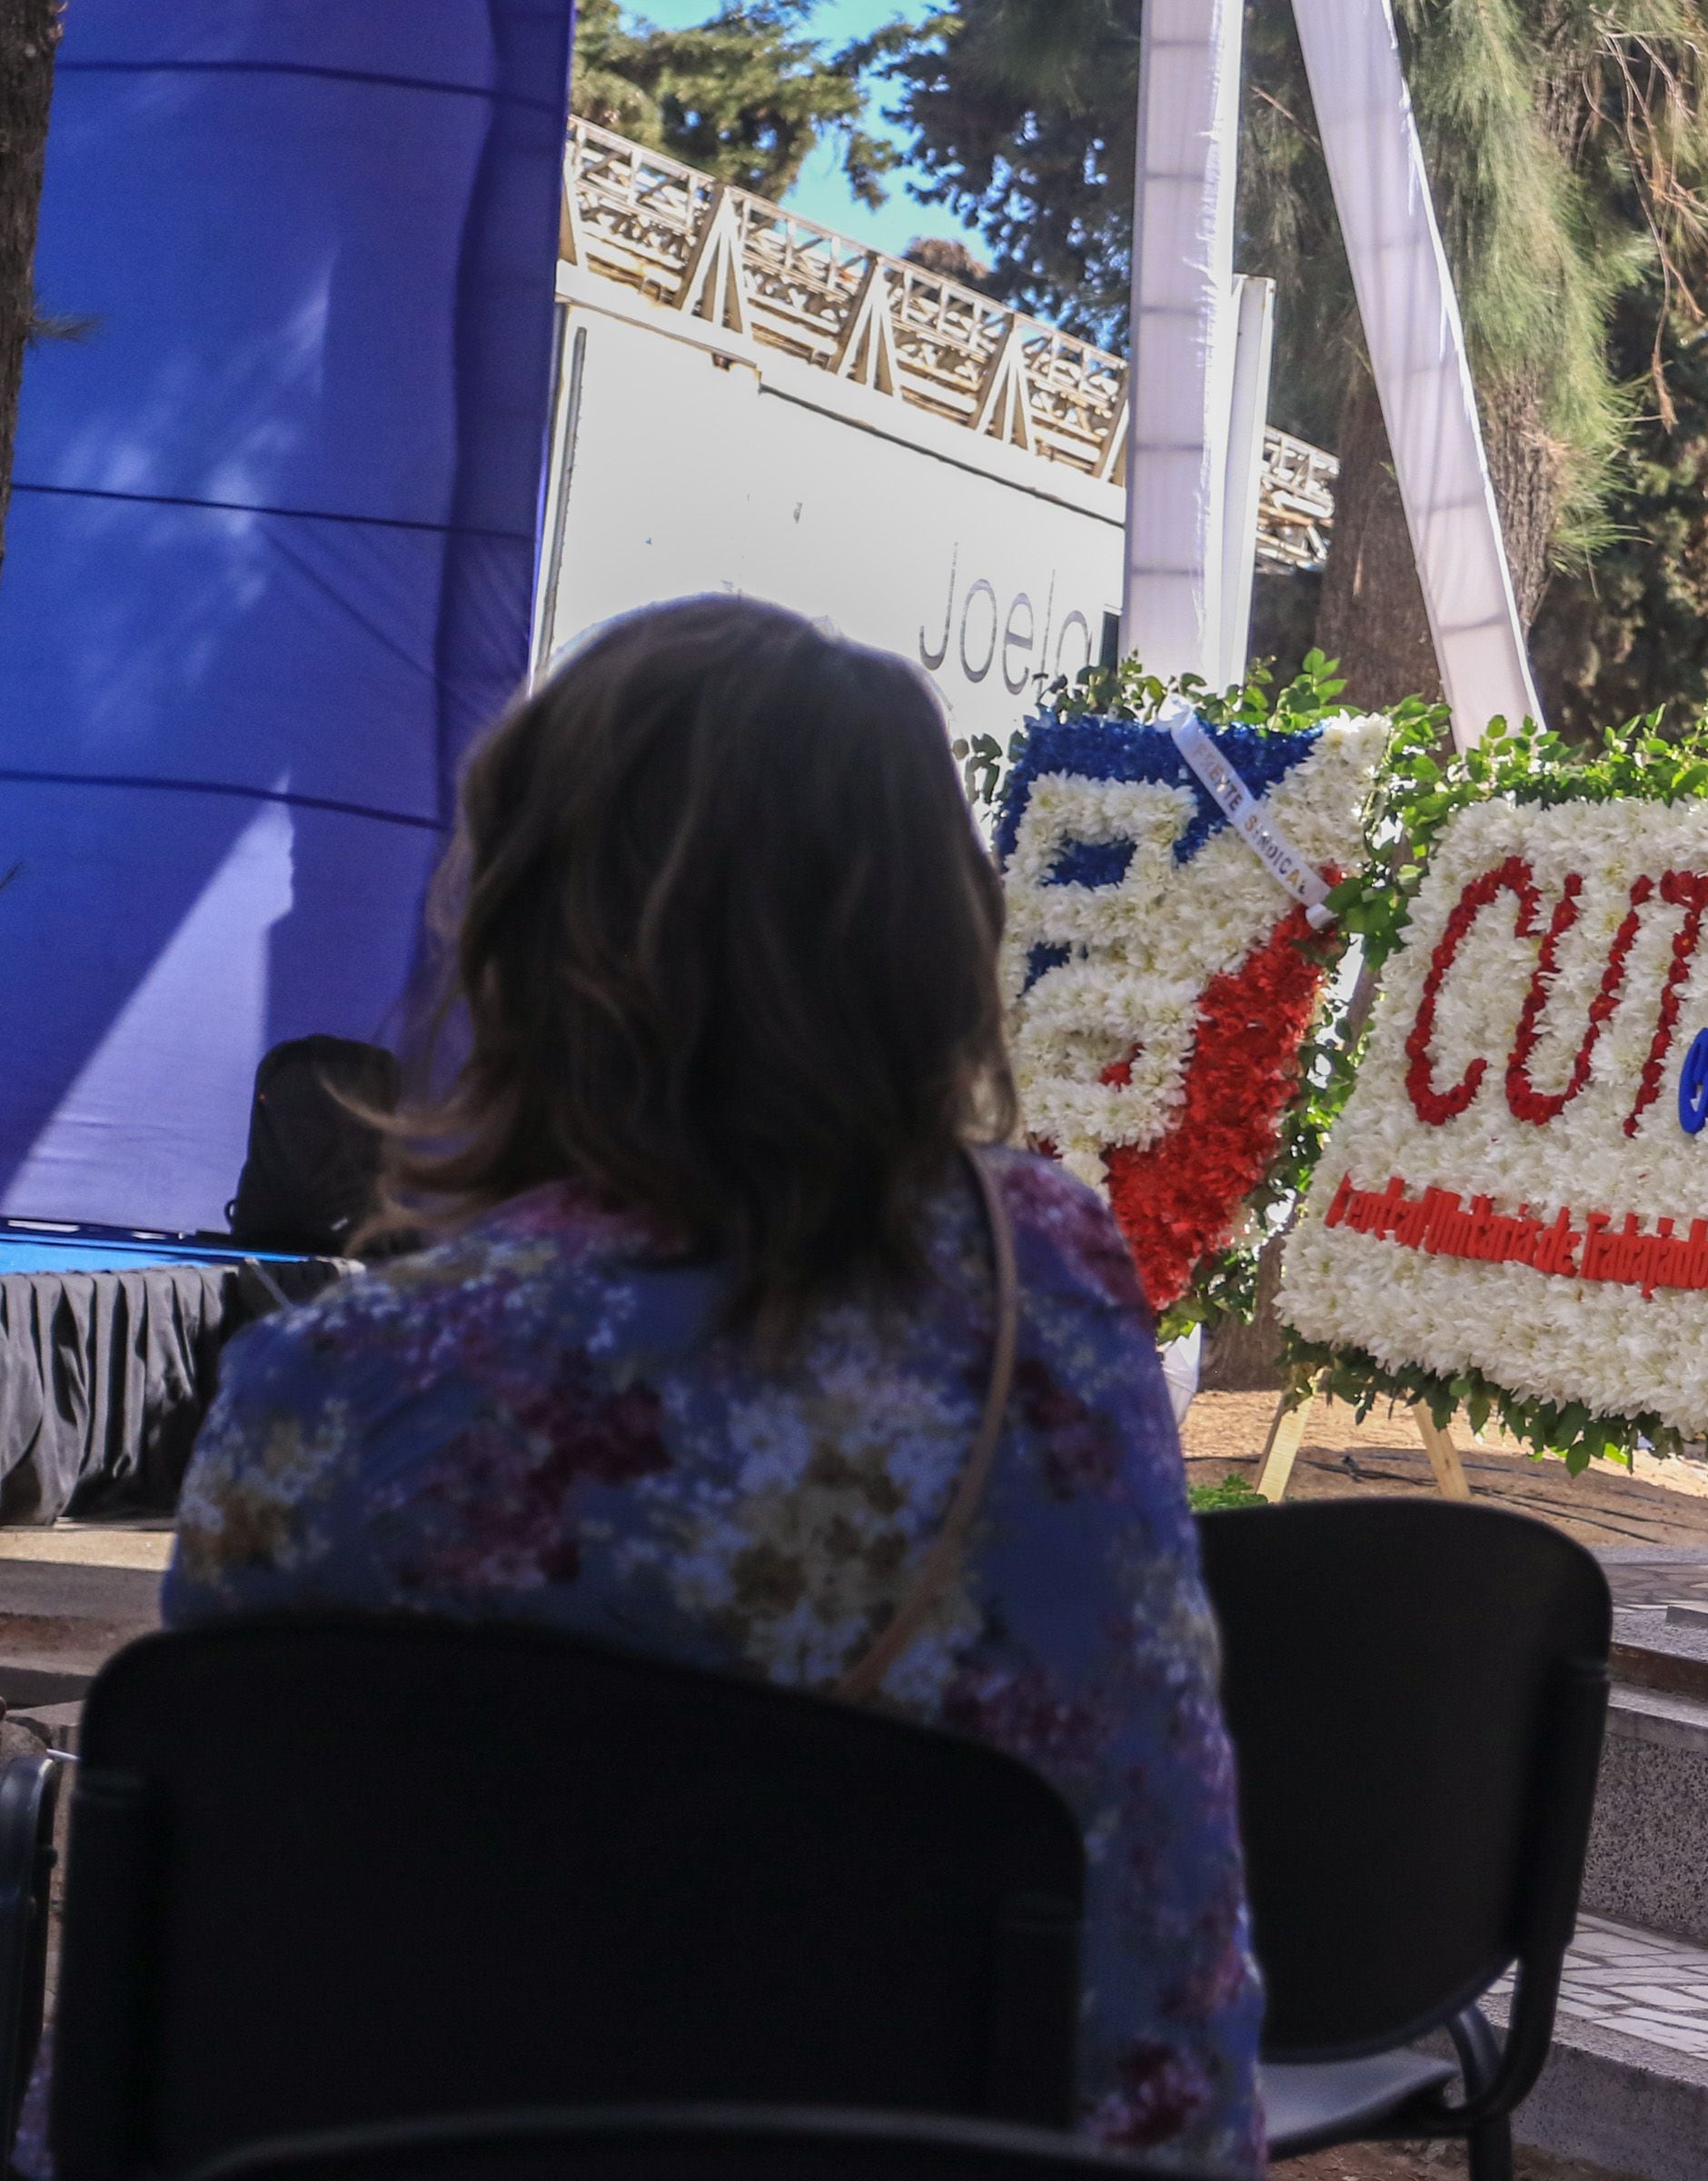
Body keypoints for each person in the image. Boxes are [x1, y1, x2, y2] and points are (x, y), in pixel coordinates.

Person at [159, 598, 1263, 2172]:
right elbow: (1164, 1946)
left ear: (528, 934)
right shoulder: (1056, 1293)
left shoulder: (331, 1395)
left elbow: (204, 1987)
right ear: (933, 943)